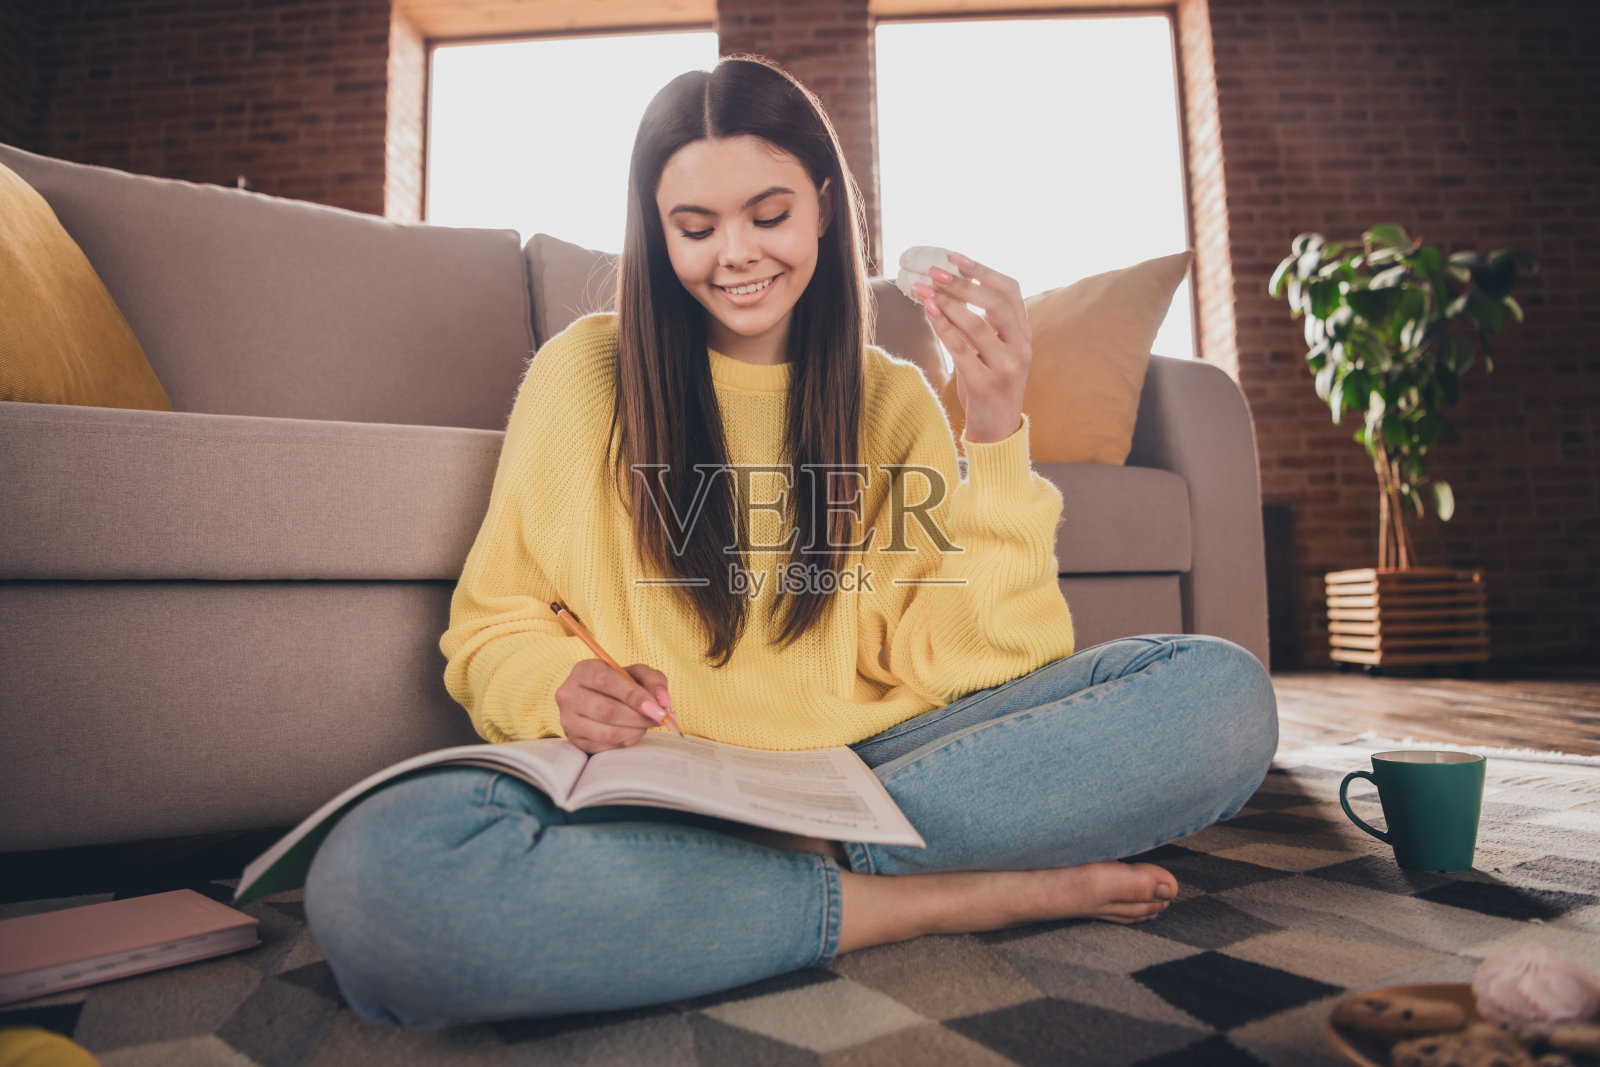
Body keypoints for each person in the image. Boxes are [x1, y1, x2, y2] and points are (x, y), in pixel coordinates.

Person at [301, 55, 1278, 1029]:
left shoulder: (892, 397)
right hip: (662, 780)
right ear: (656, 233)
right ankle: (946, 895)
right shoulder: (581, 374)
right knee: (378, 883)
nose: (735, 255)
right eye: (695, 228)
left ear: (822, 205)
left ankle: (763, 883)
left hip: (879, 766)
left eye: (768, 215)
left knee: (1220, 696)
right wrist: (555, 685)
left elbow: (977, 664)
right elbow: (494, 623)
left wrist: (993, 433)